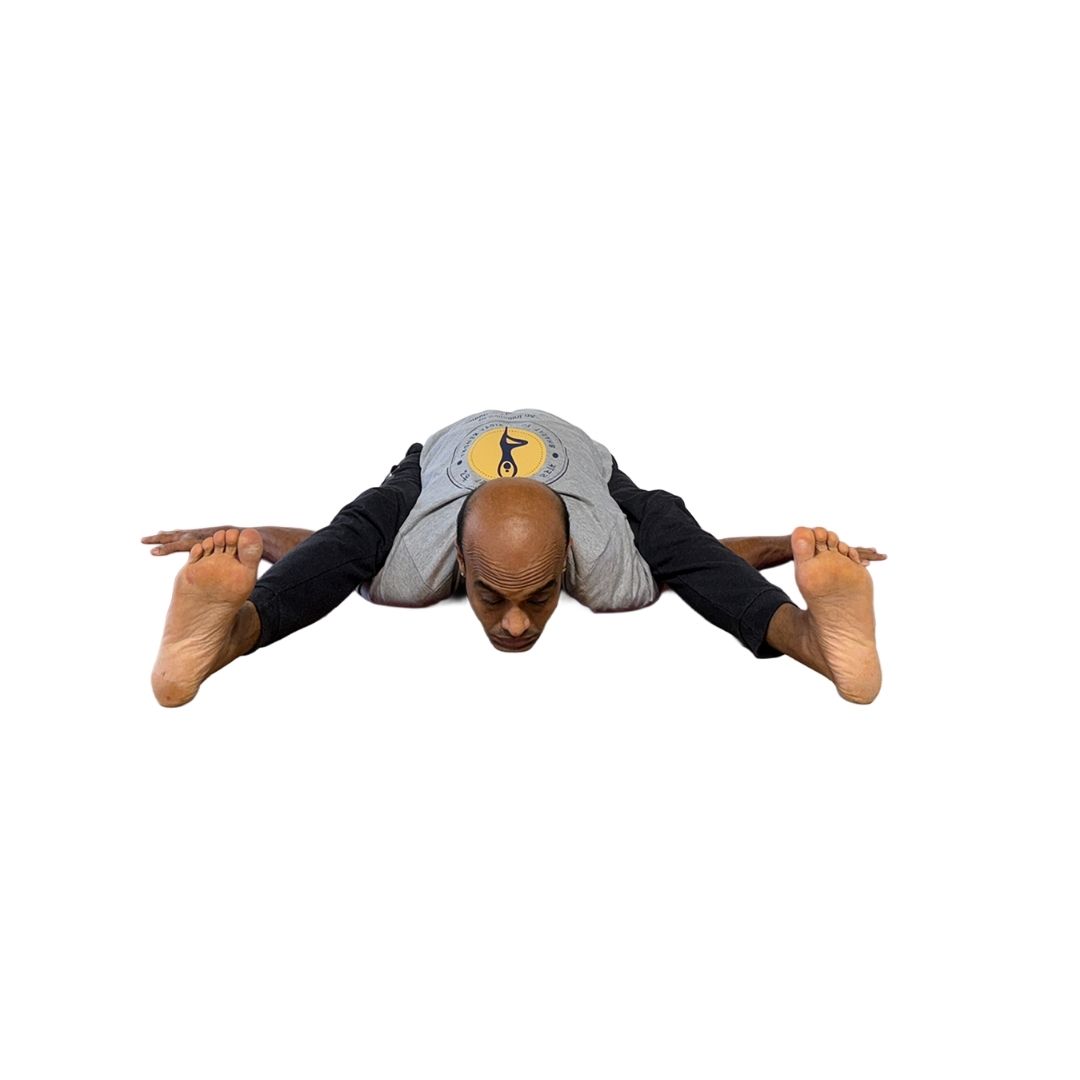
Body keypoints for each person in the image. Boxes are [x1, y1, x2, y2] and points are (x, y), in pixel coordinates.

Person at [145, 409, 886, 707]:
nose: (516, 626)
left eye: (538, 597)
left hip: (583, 463)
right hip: (442, 460)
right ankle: (225, 636)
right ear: (460, 569)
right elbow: (330, 549)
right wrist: (248, 538)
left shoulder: (607, 566)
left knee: (666, 528)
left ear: (567, 567)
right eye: (493, 597)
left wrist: (786, 549)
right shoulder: (414, 566)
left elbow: (696, 560)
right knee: (363, 528)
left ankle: (814, 640)